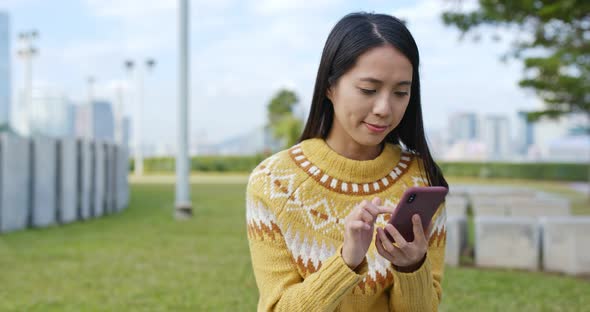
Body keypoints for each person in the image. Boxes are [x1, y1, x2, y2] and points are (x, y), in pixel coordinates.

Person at [246, 12, 448, 312]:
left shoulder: (423, 181)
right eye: (368, 90)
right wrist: (347, 262)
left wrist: (411, 266)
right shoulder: (274, 182)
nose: (384, 108)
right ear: (330, 87)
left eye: (401, 93)